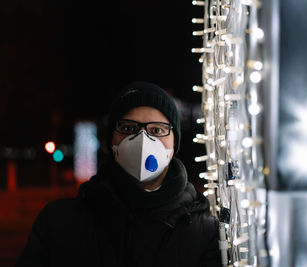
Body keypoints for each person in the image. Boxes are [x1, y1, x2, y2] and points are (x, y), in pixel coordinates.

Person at [16, 81, 222, 267]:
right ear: (111, 142)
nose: (142, 139)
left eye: (157, 130)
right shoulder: (59, 223)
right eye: (128, 128)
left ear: (173, 144)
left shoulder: (204, 232)